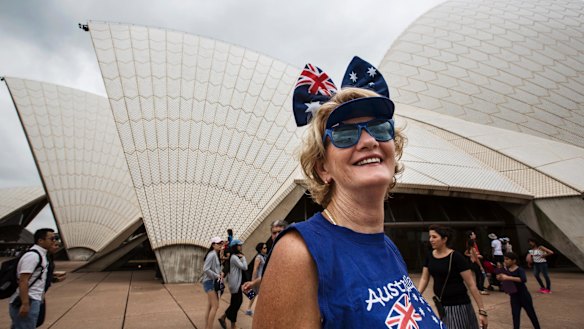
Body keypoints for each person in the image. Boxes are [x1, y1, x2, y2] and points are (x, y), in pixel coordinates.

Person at [253, 56, 443, 328]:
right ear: (323, 169)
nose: (368, 141)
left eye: (379, 128)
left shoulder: (386, 246)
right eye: (344, 134)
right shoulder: (299, 253)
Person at [418, 225, 488, 329]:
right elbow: (424, 278)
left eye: (434, 237)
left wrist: (482, 310)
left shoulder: (456, 257)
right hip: (442, 305)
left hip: (459, 306)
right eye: (430, 237)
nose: (431, 240)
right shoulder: (429, 256)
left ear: (444, 239)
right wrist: (416, 296)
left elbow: (471, 285)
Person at [8, 228, 55, 329]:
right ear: (40, 240)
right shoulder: (33, 256)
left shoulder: (42, 255)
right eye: (51, 238)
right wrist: (25, 304)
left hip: (34, 299)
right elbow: (23, 280)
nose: (54, 241)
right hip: (28, 300)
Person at [496, 252, 541, 329]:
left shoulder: (520, 269)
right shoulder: (507, 271)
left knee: (531, 314)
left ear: (514, 261)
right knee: (515, 316)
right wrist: (500, 277)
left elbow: (523, 279)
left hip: (524, 296)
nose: (505, 261)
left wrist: (507, 278)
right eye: (504, 259)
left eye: (507, 259)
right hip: (514, 296)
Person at [218, 239, 247, 329]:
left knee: (235, 303)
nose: (241, 247)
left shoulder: (234, 257)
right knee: (236, 303)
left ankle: (225, 319)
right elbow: (244, 267)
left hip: (235, 283)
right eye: (239, 245)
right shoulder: (234, 257)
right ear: (235, 246)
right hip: (235, 284)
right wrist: (243, 258)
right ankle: (231, 324)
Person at [201, 237, 224, 329]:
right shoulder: (212, 254)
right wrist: (216, 275)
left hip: (211, 282)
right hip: (210, 282)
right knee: (215, 306)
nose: (220, 245)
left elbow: (214, 268)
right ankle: (209, 327)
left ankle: (207, 326)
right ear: (213, 245)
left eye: (221, 243)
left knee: (210, 306)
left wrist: (220, 273)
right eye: (218, 243)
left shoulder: (215, 254)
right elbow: (205, 269)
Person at [244, 243, 268, 316]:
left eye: (266, 247)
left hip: (262, 277)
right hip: (258, 278)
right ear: (260, 249)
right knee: (255, 293)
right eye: (264, 248)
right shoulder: (258, 257)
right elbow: (255, 269)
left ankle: (248, 309)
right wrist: (253, 281)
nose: (266, 248)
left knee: (254, 294)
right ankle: (251, 309)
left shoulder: (265, 256)